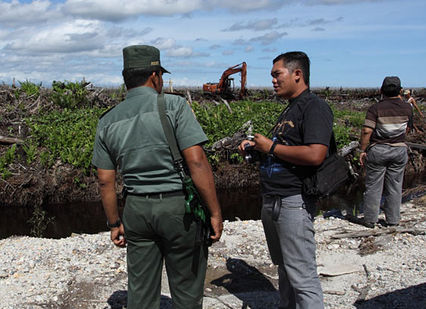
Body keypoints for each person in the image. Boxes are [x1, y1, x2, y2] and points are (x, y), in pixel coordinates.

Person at [92, 45, 223, 308]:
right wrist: (215, 213)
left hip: (136, 210)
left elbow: (105, 180)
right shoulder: (174, 106)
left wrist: (114, 222)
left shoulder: (107, 120)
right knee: (186, 291)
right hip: (178, 210)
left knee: (140, 293)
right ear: (155, 76)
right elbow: (196, 162)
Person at [240, 51, 330, 309]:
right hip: (274, 201)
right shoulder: (292, 108)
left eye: (277, 75)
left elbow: (315, 154)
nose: (273, 81)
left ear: (297, 74)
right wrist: (257, 149)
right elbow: (283, 152)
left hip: (293, 202)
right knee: (285, 270)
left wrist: (270, 148)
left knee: (302, 276)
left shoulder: (315, 107)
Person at [358, 77, 413, 228]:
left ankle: (370, 220)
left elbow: (366, 131)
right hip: (399, 149)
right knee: (395, 186)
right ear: (400, 91)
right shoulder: (408, 108)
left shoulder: (375, 108)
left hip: (378, 150)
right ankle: (393, 220)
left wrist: (362, 150)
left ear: (381, 90)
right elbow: (407, 129)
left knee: (374, 186)